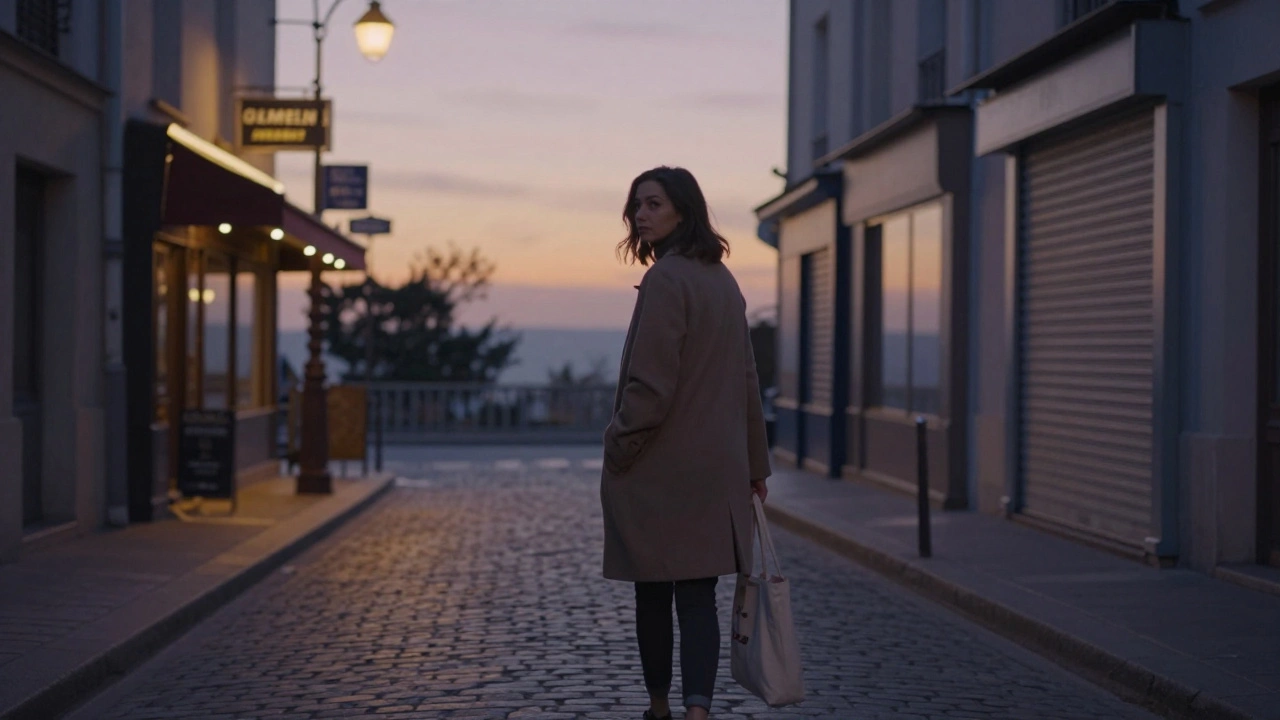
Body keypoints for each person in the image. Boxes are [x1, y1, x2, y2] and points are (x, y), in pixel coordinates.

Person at [600, 166, 772, 720]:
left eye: (653, 204)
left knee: (653, 591)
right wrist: (755, 465)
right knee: (698, 596)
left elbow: (650, 386)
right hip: (714, 472)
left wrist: (618, 447)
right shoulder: (723, 280)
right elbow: (748, 380)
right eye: (637, 207)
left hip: (660, 470)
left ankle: (658, 706)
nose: (641, 216)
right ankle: (698, 709)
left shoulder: (667, 279)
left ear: (683, 210)